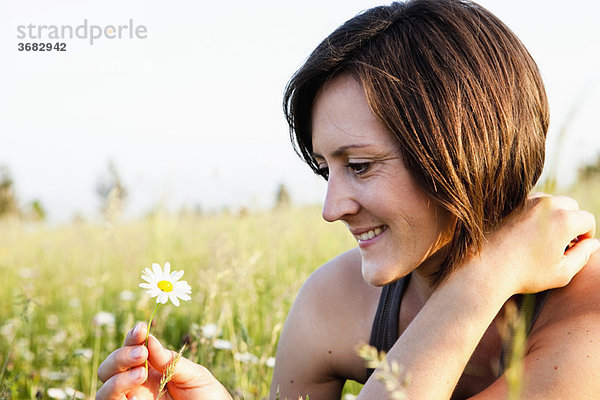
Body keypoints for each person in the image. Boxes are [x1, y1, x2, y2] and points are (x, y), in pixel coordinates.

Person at [96, 0, 600, 399]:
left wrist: (482, 280)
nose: (331, 208)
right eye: (325, 170)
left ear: (462, 152)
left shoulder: (587, 313)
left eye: (359, 166)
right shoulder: (332, 303)